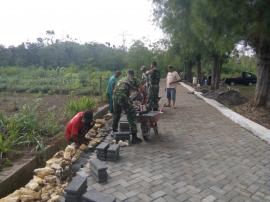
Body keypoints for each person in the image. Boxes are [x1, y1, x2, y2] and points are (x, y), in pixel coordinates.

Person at [112, 70, 143, 144]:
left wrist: (130, 100)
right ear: (132, 75)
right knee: (131, 114)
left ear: (127, 74)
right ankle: (134, 137)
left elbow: (127, 93)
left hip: (114, 97)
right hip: (122, 97)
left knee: (116, 114)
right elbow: (139, 89)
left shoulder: (122, 79)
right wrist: (141, 97)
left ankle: (114, 132)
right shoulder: (132, 79)